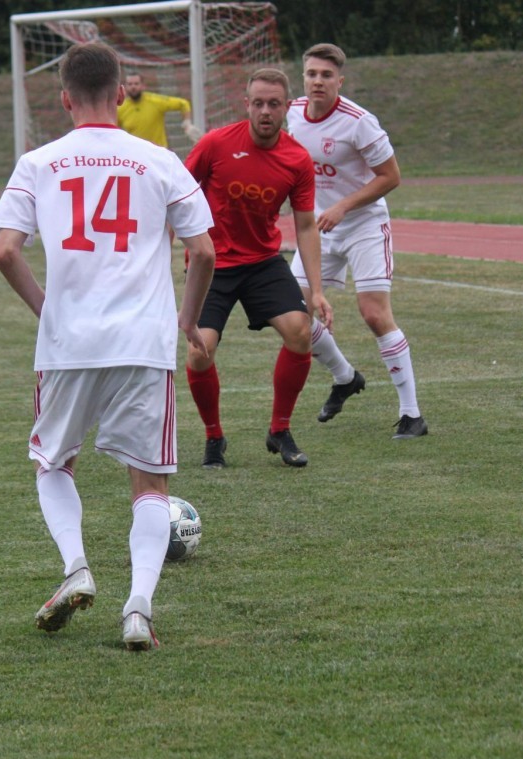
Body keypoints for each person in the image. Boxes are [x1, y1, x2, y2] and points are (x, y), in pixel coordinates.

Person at [0, 41, 215, 651]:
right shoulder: (161, 161)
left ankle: (76, 568)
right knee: (149, 486)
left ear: (64, 98)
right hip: (142, 343)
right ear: (120, 94)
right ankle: (138, 609)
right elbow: (202, 252)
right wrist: (189, 321)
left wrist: (48, 311)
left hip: (68, 345)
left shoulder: (38, 162)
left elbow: (6, 251)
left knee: (53, 461)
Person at [183, 67, 332, 469]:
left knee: (301, 331)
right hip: (213, 263)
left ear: (287, 108)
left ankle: (279, 430)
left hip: (263, 261)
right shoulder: (215, 144)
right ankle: (214, 437)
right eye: (258, 103)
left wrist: (316, 290)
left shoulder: (297, 159)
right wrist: (184, 246)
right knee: (200, 352)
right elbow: (179, 193)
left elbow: (304, 224)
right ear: (246, 104)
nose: (265, 111)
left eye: (274, 104)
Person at [287, 43, 427, 439]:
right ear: (304, 77)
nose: (318, 81)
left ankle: (412, 414)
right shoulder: (293, 112)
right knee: (293, 317)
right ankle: (344, 376)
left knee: (374, 314)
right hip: (319, 226)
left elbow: (391, 177)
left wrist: (344, 206)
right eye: (312, 74)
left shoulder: (359, 121)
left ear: (339, 81)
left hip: (363, 223)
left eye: (326, 75)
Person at [117, 70, 203, 148]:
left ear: (143, 86)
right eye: (130, 84)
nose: (133, 87)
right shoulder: (120, 108)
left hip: (159, 153)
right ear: (125, 87)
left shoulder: (155, 101)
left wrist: (187, 124)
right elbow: (116, 130)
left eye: (136, 84)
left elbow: (183, 104)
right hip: (137, 155)